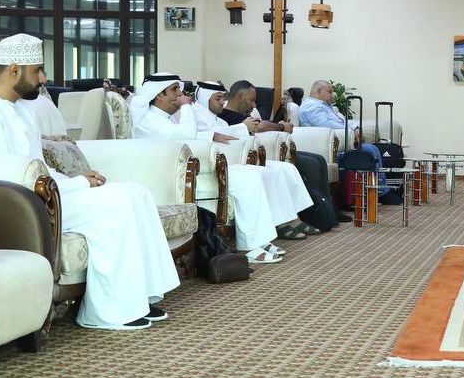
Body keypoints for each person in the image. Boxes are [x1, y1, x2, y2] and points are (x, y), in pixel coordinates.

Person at [0, 34, 179, 330]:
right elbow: (5, 180)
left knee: (135, 192)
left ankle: (139, 297)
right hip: (20, 206)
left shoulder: (23, 110)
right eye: (37, 70)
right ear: (14, 69)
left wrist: (75, 179)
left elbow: (39, 168)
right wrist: (76, 185)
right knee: (117, 202)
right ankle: (107, 313)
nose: (43, 79)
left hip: (46, 192)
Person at [130, 74, 290, 264]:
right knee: (247, 179)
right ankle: (250, 246)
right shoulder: (148, 120)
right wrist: (187, 107)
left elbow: (184, 135)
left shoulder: (164, 118)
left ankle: (259, 240)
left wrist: (210, 136)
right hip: (172, 179)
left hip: (187, 170)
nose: (180, 94)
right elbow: (185, 135)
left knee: (252, 173)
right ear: (158, 95)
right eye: (174, 89)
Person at [192, 80, 319, 237]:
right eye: (218, 99)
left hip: (238, 159)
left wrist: (243, 128)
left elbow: (228, 132)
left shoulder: (219, 118)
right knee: (263, 173)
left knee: (284, 168)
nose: (222, 102)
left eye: (222, 98)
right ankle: (278, 225)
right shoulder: (196, 116)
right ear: (205, 99)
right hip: (221, 165)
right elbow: (208, 135)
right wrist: (243, 127)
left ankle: (292, 219)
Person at [295, 79, 388, 194]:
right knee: (369, 150)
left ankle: (380, 190)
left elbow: (342, 121)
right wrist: (352, 131)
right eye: (329, 92)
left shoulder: (324, 106)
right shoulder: (311, 107)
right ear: (318, 91)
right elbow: (326, 125)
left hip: (337, 143)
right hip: (327, 149)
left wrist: (356, 128)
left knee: (372, 148)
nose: (332, 95)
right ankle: (379, 192)